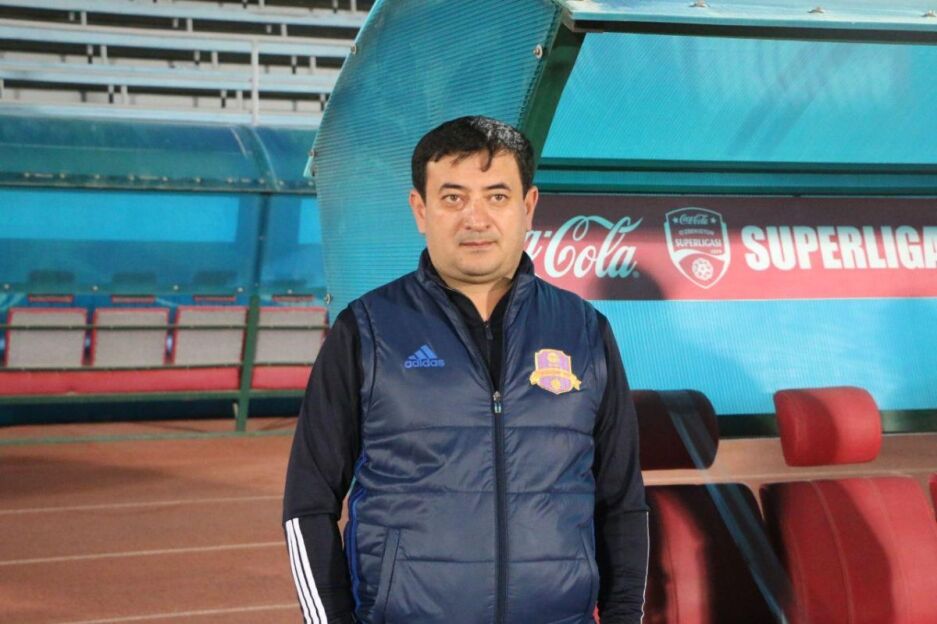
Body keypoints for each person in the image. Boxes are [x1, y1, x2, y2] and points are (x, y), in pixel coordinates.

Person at [283, 116, 648, 624]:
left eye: (496, 196)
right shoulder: (366, 331)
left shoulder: (584, 330)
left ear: (528, 207)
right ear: (420, 209)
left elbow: (622, 501)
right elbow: (308, 505)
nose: (476, 219)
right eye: (453, 198)